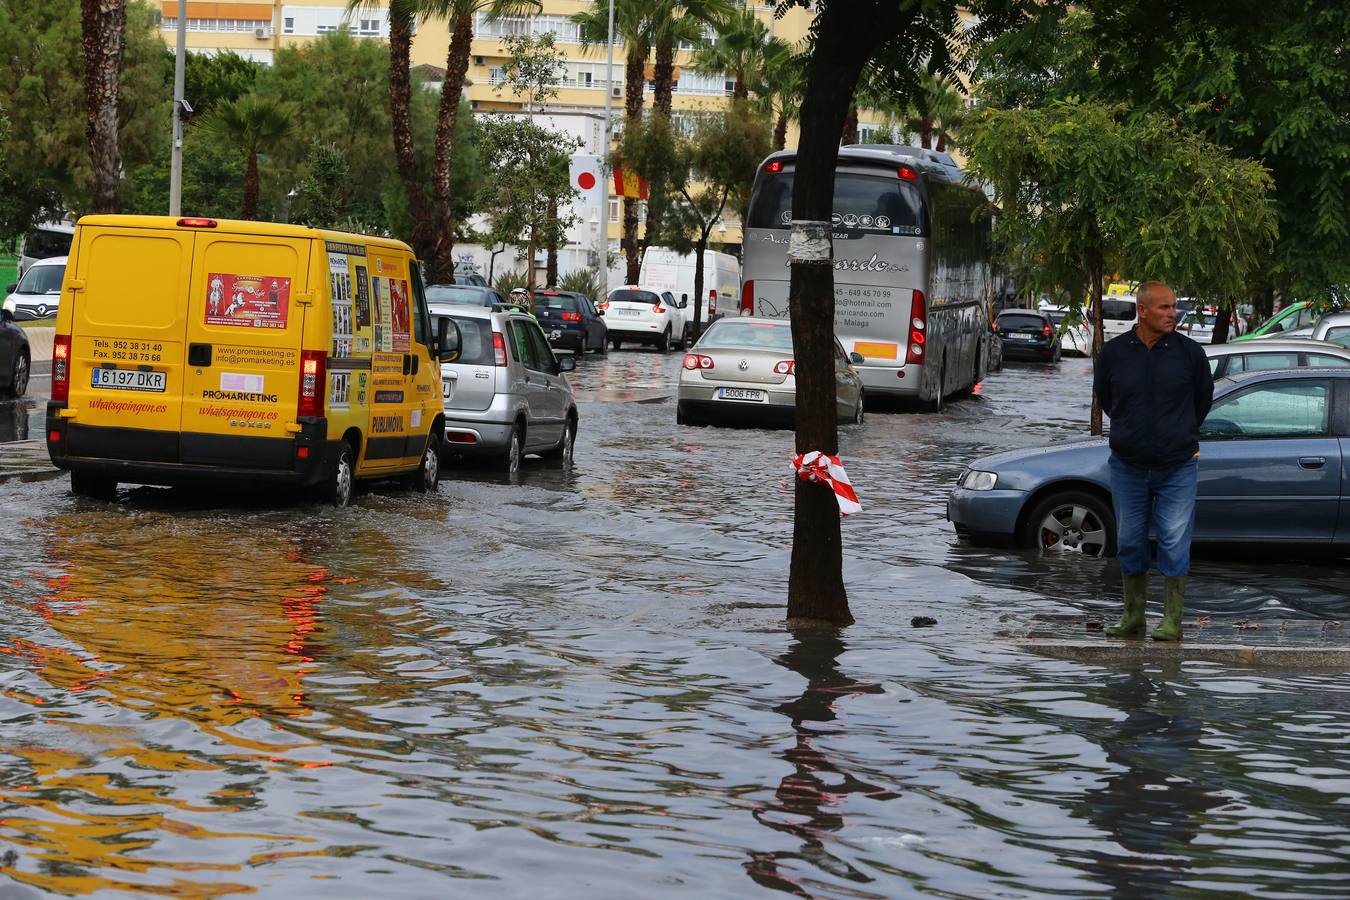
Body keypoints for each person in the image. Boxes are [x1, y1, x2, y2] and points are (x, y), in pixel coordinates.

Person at [1093, 281, 1214, 642]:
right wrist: (1132, 432)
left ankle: (1172, 620)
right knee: (1129, 539)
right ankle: (1133, 617)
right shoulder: (1114, 353)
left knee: (1175, 540)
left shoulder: (1190, 354)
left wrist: (1179, 433)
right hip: (1128, 465)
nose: (1171, 313)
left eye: (1173, 307)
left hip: (1177, 464)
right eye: (1163, 308)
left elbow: (1202, 402)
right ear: (1142, 311)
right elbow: (1108, 399)